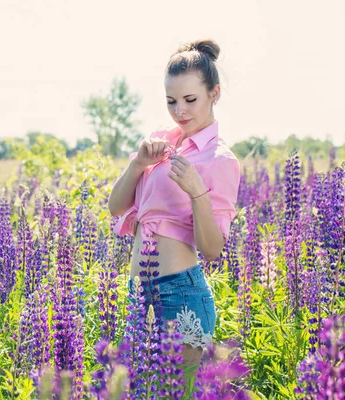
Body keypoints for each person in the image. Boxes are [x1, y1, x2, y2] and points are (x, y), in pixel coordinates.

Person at [108, 38, 241, 373]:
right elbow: (115, 207)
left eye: (190, 99)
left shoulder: (220, 159)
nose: (180, 110)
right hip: (139, 293)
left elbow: (212, 249)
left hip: (180, 294)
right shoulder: (160, 141)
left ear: (214, 93)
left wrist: (198, 193)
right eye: (171, 100)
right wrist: (137, 165)